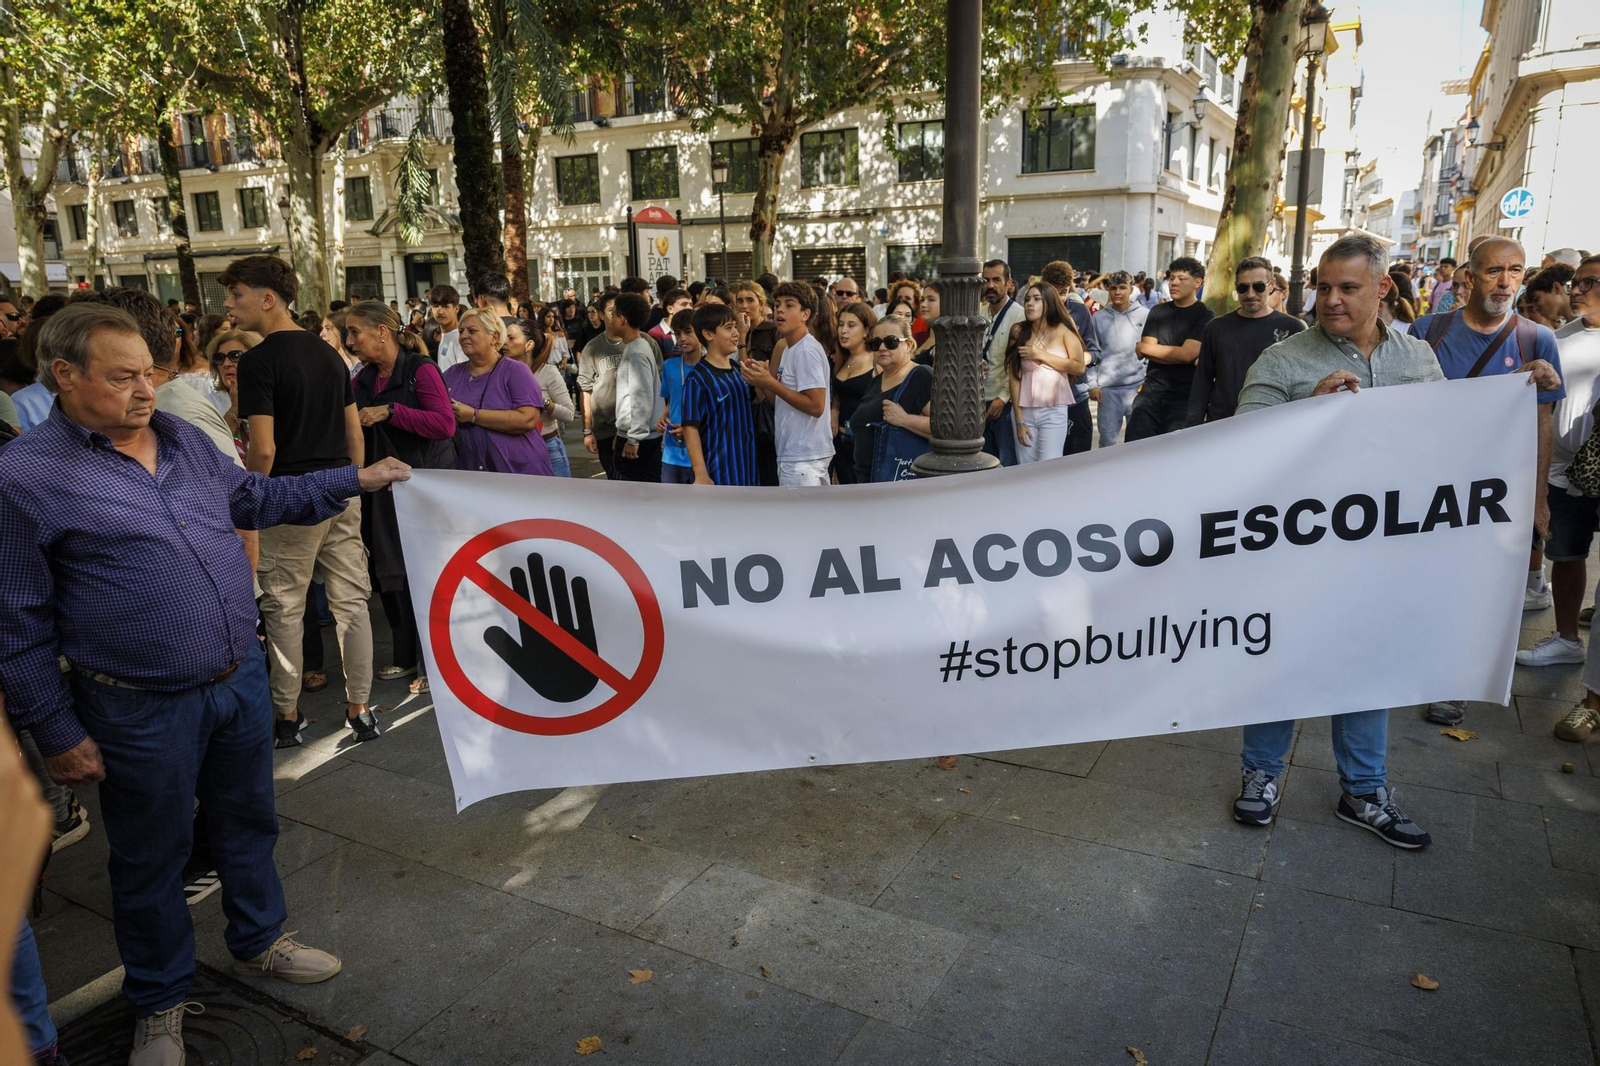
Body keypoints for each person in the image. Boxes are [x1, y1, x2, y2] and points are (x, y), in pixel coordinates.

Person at [0, 302, 411, 1065]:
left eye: (149, 374)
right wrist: (56, 732)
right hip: (134, 705)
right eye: (122, 378)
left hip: (237, 680)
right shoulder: (25, 477)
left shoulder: (183, 439)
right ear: (65, 375)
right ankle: (159, 1001)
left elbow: (253, 498)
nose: (145, 390)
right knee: (151, 857)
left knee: (248, 822)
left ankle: (260, 939)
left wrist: (358, 479)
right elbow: (17, 620)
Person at [1230, 235, 1448, 850]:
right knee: (1282, 655)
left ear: (1383, 289)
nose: (1330, 300)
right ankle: (1263, 774)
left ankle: (1364, 789)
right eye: (1323, 287)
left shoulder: (1418, 359)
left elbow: (1450, 437)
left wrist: (1524, 395)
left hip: (1383, 550)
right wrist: (1306, 412)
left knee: (1368, 661)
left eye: (1347, 288)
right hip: (1297, 548)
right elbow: (1240, 445)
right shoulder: (1283, 360)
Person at [224, 256, 381, 748]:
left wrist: (251, 502)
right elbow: (353, 430)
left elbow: (264, 447)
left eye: (236, 295)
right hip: (341, 487)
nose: (228, 307)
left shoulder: (258, 361)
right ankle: (360, 709)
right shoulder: (329, 354)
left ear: (267, 299)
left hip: (288, 498)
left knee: (285, 606)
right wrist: (353, 482)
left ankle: (289, 718)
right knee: (352, 603)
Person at [1412, 237, 1565, 727]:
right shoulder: (1427, 330)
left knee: (1474, 587)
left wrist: (1538, 498)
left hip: (1492, 493)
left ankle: (1452, 682)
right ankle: (1410, 661)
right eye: (1494, 270)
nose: (1505, 281)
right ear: (1471, 276)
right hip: (1426, 484)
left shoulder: (1536, 340)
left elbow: (1544, 423)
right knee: (1424, 581)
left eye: (1515, 271)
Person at [349, 302, 455, 694]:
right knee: (392, 574)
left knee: (429, 573)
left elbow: (443, 423)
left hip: (425, 489)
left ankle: (434, 663)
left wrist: (390, 411)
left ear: (382, 331)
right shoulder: (362, 378)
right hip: (383, 487)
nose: (350, 341)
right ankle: (405, 655)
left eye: (355, 332)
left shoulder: (420, 369)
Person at [1521, 257, 1600, 683]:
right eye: (1576, 280)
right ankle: (1568, 639)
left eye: (1590, 282)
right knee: (1567, 554)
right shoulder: (1557, 338)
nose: (1576, 289)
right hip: (1563, 472)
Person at [1185, 257, 1305, 426]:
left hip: (1273, 424)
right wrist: (1193, 426)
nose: (1250, 294)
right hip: (1222, 424)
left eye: (1258, 286)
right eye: (1243, 287)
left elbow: (1300, 384)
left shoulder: (1293, 327)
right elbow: (1202, 380)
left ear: (1271, 286)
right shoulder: (1216, 328)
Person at [442, 308, 554, 477]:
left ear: (494, 337)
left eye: (472, 331)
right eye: (461, 331)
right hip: (472, 477)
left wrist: (473, 415)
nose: (464, 336)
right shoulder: (451, 374)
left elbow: (528, 419)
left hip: (519, 474)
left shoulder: (515, 371)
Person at [740, 281, 832, 486]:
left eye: (789, 305)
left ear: (805, 314)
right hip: (793, 453)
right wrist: (763, 380)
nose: (780, 310)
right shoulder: (789, 348)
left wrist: (770, 383)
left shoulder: (806, 350)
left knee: (801, 518)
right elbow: (777, 401)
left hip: (805, 458)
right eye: (777, 304)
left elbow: (816, 406)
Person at [1126, 256, 1213, 441]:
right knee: (1136, 450)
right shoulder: (1158, 311)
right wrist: (1177, 354)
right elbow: (1174, 353)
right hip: (1150, 392)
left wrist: (1146, 349)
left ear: (1198, 282)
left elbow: (1187, 353)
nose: (1174, 283)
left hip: (1184, 397)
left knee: (1174, 453)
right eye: (1172, 278)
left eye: (1182, 279)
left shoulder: (1205, 315)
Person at [681, 303, 759, 486]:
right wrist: (700, 474)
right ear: (708, 334)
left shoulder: (738, 370)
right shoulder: (697, 379)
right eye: (728, 328)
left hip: (747, 471)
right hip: (718, 475)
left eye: (735, 327)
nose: (735, 333)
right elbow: (689, 428)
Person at [1008, 282, 1087, 463]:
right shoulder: (1018, 331)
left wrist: (1040, 355)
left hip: (1053, 410)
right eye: (1027, 299)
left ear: (1049, 303)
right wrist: (1019, 421)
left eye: (1036, 299)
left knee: (1049, 467)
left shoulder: (1064, 330)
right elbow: (1013, 376)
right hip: (1024, 411)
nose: (1029, 304)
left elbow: (1079, 367)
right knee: (1026, 469)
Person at [850, 316, 933, 483]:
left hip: (897, 482)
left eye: (891, 341)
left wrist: (904, 419)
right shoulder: (877, 380)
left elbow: (946, 428)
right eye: (876, 343)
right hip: (868, 479)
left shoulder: (920, 376)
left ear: (909, 345)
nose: (882, 347)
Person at [1040, 261, 1103, 455]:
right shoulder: (1032, 310)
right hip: (1043, 399)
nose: (1059, 298)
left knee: (1078, 458)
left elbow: (1096, 352)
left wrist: (1080, 360)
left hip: (1075, 396)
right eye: (1054, 292)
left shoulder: (1080, 310)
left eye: (1064, 291)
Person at [507, 318, 576, 477]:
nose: (504, 342)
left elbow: (569, 415)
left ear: (529, 345)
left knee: (557, 499)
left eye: (511, 338)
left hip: (548, 446)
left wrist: (545, 403)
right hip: (514, 448)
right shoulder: (502, 373)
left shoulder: (548, 372)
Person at [610, 292, 666, 483]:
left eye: (613, 315)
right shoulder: (637, 346)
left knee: (630, 496)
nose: (610, 319)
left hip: (642, 441)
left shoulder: (636, 352)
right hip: (639, 435)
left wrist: (633, 438)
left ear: (622, 319)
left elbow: (641, 398)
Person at [1089, 271, 1148, 447]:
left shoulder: (1145, 315)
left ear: (1131, 289)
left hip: (1137, 388)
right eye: (1113, 288)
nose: (1117, 292)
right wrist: (1092, 384)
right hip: (1107, 390)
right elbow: (1092, 352)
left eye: (1122, 288)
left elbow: (1151, 350)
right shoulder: (1098, 318)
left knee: (1138, 442)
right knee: (1107, 443)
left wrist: (1148, 382)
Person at [979, 260, 1026, 466]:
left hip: (1004, 404)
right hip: (978, 402)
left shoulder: (1019, 314)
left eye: (996, 280)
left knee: (1007, 464)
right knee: (983, 465)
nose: (990, 285)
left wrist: (1003, 397)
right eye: (986, 280)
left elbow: (1021, 363)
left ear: (1008, 283)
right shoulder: (979, 314)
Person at [578, 293, 626, 479]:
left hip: (636, 429)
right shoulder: (593, 347)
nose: (615, 316)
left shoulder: (643, 342)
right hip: (606, 429)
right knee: (614, 480)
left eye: (619, 311)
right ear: (601, 314)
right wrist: (587, 430)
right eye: (610, 311)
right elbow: (586, 390)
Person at [206, 328, 262, 464]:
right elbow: (210, 449)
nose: (226, 364)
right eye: (219, 358)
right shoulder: (208, 402)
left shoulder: (274, 396)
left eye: (235, 355)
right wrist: (235, 409)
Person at [659, 307, 700, 484]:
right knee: (671, 505)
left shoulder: (710, 367)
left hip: (700, 450)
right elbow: (671, 401)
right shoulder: (669, 365)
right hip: (671, 452)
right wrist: (663, 417)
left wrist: (689, 430)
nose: (682, 338)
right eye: (678, 333)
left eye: (688, 332)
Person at [1523, 265, 1574, 330]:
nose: (1535, 308)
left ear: (1556, 288)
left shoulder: (1588, 323)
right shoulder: (1563, 332)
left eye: (1536, 299)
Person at [429, 284, 465, 371]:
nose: (440, 311)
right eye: (436, 306)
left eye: (445, 306)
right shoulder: (443, 336)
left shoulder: (462, 338)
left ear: (456, 309)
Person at [318, 310, 358, 377]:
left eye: (328, 328)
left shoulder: (357, 364)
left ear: (341, 331)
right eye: (322, 328)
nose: (321, 334)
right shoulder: (324, 361)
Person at [913, 284, 940, 365]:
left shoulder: (952, 340)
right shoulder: (917, 337)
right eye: (922, 300)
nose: (923, 305)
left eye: (931, 300)